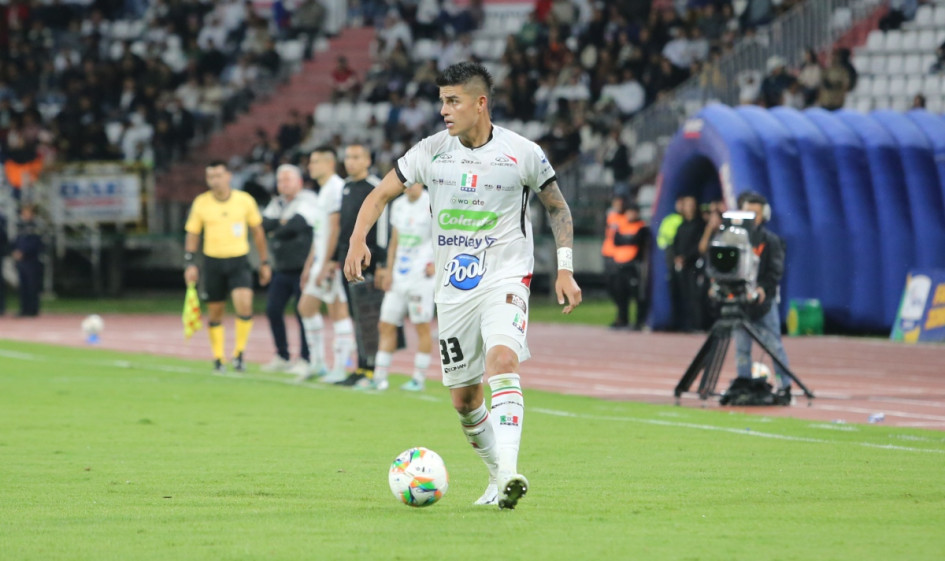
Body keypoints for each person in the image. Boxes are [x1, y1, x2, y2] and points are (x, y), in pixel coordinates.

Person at [343, 61, 583, 510]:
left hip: (506, 276)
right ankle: (497, 477)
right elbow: (378, 195)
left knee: (503, 358)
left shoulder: (522, 152)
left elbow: (558, 208)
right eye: (441, 102)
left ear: (480, 103)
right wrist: (358, 240)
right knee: (465, 401)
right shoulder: (431, 152)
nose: (444, 111)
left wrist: (565, 268)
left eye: (452, 101)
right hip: (453, 290)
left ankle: (511, 470)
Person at [184, 160, 271, 373]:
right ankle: (218, 357)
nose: (214, 180)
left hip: (238, 260)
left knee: (245, 306)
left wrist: (264, 261)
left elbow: (257, 232)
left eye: (218, 175)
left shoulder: (244, 201)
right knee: (215, 313)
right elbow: (193, 233)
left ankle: (239, 354)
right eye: (210, 176)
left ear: (229, 176)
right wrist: (189, 263)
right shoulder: (201, 203)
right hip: (212, 261)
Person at [357, 182, 435, 392]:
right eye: (406, 184)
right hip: (400, 274)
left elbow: (446, 236)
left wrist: (438, 263)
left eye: (413, 183)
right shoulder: (398, 205)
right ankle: (380, 378)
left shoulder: (433, 202)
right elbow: (394, 241)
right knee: (386, 325)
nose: (409, 187)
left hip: (422, 276)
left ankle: (418, 378)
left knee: (421, 326)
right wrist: (389, 270)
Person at [295, 146, 357, 383]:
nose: (311, 166)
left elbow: (337, 229)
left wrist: (329, 262)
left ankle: (340, 367)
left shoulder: (335, 189)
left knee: (337, 310)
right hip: (321, 260)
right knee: (306, 307)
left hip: (331, 262)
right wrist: (310, 264)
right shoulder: (323, 191)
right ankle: (318, 363)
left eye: (316, 162)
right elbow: (321, 232)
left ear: (330, 164)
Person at [335, 143, 387, 386]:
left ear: (367, 160)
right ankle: (361, 367)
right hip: (347, 260)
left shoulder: (376, 188)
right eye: (347, 157)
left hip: (369, 261)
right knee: (357, 315)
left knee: (369, 317)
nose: (350, 162)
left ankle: (371, 370)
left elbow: (384, 227)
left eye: (356, 157)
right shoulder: (346, 187)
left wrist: (382, 262)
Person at [730, 192, 791, 398]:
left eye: (755, 213)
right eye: (747, 212)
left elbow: (775, 271)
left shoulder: (771, 241)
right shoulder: (733, 240)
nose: (751, 217)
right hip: (740, 302)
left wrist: (762, 289)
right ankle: (744, 383)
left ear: (763, 215)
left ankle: (785, 384)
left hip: (764, 303)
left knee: (774, 345)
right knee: (741, 348)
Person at [260, 164, 319, 372]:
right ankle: (282, 355)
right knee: (273, 309)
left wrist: (279, 227)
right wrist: (280, 226)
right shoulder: (277, 202)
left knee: (303, 312)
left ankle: (306, 358)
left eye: (288, 180)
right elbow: (264, 224)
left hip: (304, 268)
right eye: (280, 180)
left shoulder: (309, 199)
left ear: (299, 182)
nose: (283, 184)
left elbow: (295, 225)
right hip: (282, 267)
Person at [611, 201, 650, 330]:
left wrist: (626, 240)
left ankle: (639, 321)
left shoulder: (641, 227)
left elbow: (636, 240)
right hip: (621, 264)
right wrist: (628, 240)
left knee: (637, 294)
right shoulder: (622, 225)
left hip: (634, 265)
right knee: (620, 294)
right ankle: (622, 319)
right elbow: (616, 240)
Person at [673, 195, 707, 332]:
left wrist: (687, 257)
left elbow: (699, 246)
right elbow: (676, 243)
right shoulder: (681, 225)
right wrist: (677, 257)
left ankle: (698, 324)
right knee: (684, 295)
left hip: (695, 265)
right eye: (687, 205)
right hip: (683, 266)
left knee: (696, 296)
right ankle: (685, 324)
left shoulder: (700, 225)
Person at [12, 204, 44, 317]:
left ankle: (32, 309)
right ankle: (24, 309)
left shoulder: (35, 227)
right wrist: (15, 251)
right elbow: (16, 241)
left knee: (32, 286)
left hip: (31, 260)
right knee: (23, 286)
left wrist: (23, 252)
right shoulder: (21, 227)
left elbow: (36, 243)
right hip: (22, 261)